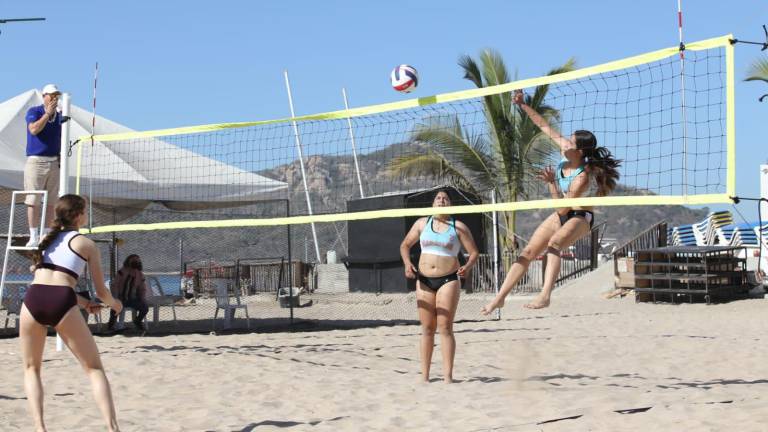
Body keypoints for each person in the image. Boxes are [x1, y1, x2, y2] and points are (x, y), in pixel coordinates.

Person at [481, 90, 621, 314]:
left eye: (570, 142)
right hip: (561, 212)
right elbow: (543, 125)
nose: (564, 142)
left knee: (554, 245)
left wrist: (552, 184)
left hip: (579, 217)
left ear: (579, 151)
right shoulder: (566, 149)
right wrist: (522, 104)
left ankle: (545, 295)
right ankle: (499, 298)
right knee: (527, 252)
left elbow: (563, 208)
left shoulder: (582, 178)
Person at [20, 194, 123, 431]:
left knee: (31, 368)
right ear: (78, 215)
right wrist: (116, 305)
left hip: (33, 299)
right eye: (85, 211)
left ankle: (40, 428)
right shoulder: (85, 243)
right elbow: (101, 292)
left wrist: (85, 304)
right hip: (61, 301)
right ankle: (112, 428)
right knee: (94, 369)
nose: (87, 215)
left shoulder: (46, 239)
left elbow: (49, 284)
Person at [400, 189, 479, 383]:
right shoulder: (422, 223)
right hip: (424, 280)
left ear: (450, 204)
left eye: (445, 198)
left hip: (448, 279)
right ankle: (425, 377)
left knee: (445, 327)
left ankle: (447, 377)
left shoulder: (458, 226)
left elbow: (474, 252)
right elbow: (405, 245)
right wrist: (407, 263)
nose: (441, 200)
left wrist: (467, 266)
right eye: (438, 198)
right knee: (427, 328)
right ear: (433, 203)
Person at [24, 84, 64, 247]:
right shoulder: (34, 111)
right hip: (37, 161)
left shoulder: (60, 116)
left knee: (52, 201)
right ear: (44, 96)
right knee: (33, 199)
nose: (54, 98)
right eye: (51, 95)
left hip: (54, 162)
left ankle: (45, 235)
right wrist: (47, 114)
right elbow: (33, 130)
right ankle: (33, 236)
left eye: (56, 96)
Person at [107, 254, 149, 333]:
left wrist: (142, 298)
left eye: (138, 260)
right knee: (115, 308)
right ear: (128, 261)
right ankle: (111, 325)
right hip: (121, 298)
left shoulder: (140, 275)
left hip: (132, 299)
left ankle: (137, 321)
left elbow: (142, 289)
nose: (136, 261)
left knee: (145, 307)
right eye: (134, 260)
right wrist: (115, 298)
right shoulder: (121, 272)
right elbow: (115, 285)